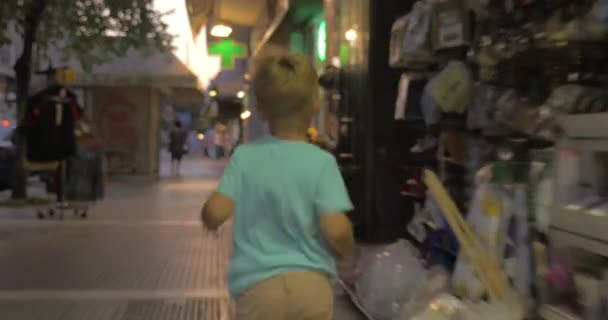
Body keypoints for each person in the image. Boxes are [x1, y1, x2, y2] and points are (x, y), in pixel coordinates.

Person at [202, 51, 355, 320]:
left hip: (258, 288)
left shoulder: (245, 158)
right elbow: (336, 228)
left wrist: (210, 219)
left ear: (260, 110)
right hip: (312, 286)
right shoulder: (322, 163)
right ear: (316, 104)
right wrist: (347, 255)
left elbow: (215, 212)